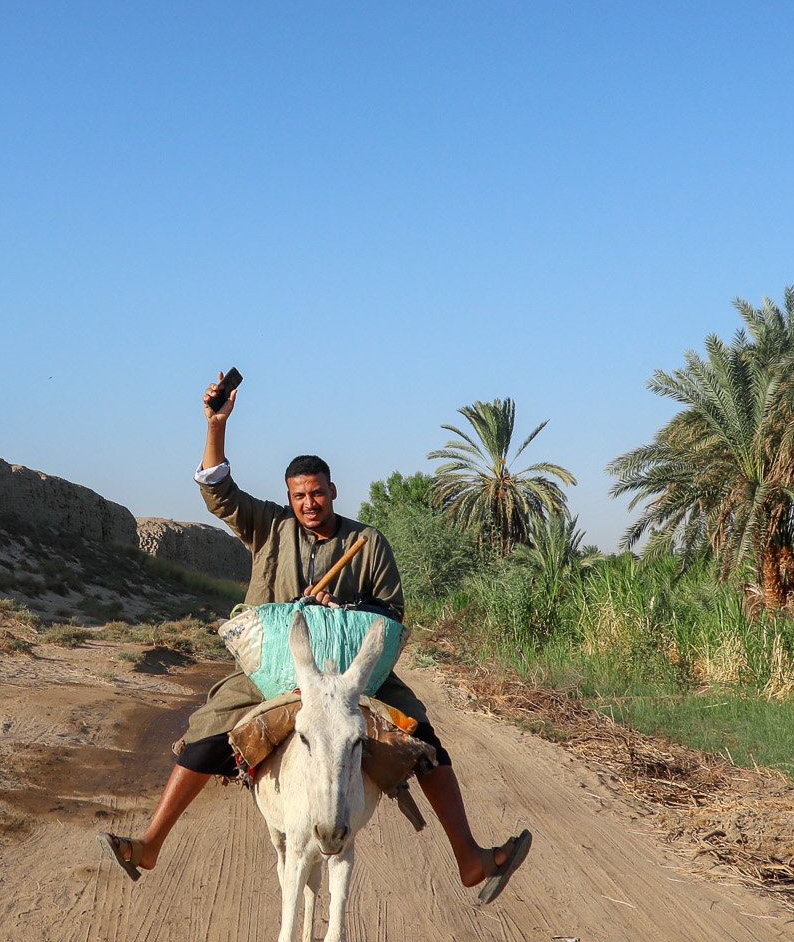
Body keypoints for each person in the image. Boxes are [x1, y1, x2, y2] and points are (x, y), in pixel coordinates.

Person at [101, 372, 533, 902]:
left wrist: (344, 608)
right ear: (289, 497)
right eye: (300, 496)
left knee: (424, 739)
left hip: (355, 677)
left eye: (318, 494)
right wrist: (216, 425)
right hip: (274, 673)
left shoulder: (367, 542)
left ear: (333, 492)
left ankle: (468, 858)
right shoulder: (268, 527)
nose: (309, 504)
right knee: (203, 733)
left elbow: (392, 613)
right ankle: (149, 845)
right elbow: (217, 489)